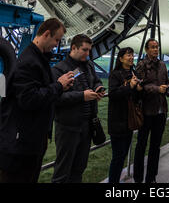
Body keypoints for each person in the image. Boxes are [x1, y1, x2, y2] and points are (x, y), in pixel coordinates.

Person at [0, 18, 74, 183]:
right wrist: (58, 86)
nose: (57, 44)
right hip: (20, 146)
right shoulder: (29, 61)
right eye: (56, 39)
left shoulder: (38, 59)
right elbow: (28, 99)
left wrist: (59, 86)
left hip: (28, 141)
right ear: (46, 34)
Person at [51, 34, 105, 183]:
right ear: (73, 47)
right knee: (62, 172)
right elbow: (56, 99)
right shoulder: (59, 69)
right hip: (68, 128)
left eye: (89, 50)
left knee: (79, 168)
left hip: (87, 126)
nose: (88, 54)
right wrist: (82, 96)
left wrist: (98, 88)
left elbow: (95, 80)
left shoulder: (88, 65)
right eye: (84, 50)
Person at [133, 38, 169, 183]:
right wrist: (157, 89)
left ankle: (151, 178)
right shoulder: (141, 65)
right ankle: (138, 178)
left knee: (155, 147)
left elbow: (166, 81)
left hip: (161, 111)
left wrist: (168, 89)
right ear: (147, 50)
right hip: (146, 111)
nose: (156, 49)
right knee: (141, 146)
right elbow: (140, 86)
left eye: (157, 47)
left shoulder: (162, 64)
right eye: (153, 47)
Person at [108, 47, 143, 183]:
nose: (131, 57)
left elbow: (136, 96)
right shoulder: (115, 74)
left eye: (132, 55)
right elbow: (113, 94)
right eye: (128, 55)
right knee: (117, 157)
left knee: (123, 155)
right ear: (121, 58)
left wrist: (139, 89)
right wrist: (130, 86)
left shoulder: (134, 72)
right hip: (117, 121)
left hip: (129, 120)